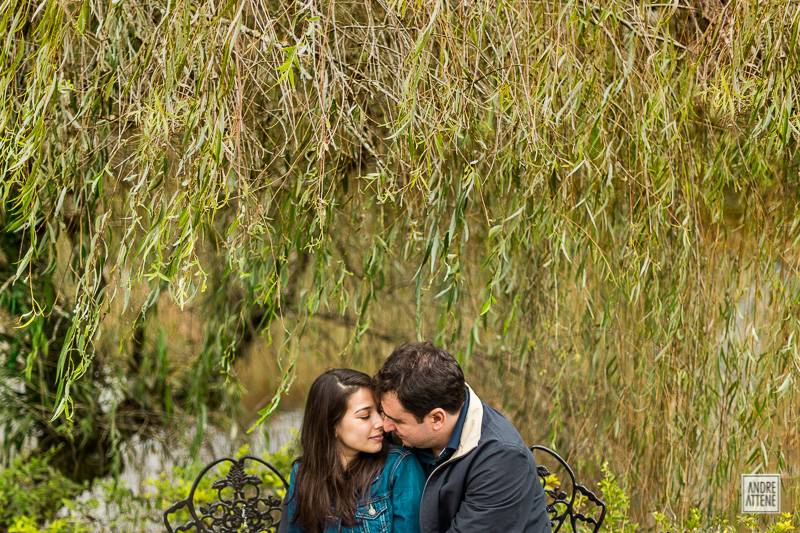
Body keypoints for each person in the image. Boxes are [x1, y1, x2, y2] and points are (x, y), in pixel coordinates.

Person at [373, 342, 552, 533]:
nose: (385, 427)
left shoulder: (501, 460)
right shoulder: (415, 421)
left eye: (397, 421)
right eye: (384, 413)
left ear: (436, 419)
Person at [282, 369, 425, 533]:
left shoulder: (399, 468)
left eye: (379, 411)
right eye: (365, 416)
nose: (381, 423)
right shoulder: (303, 472)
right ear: (332, 425)